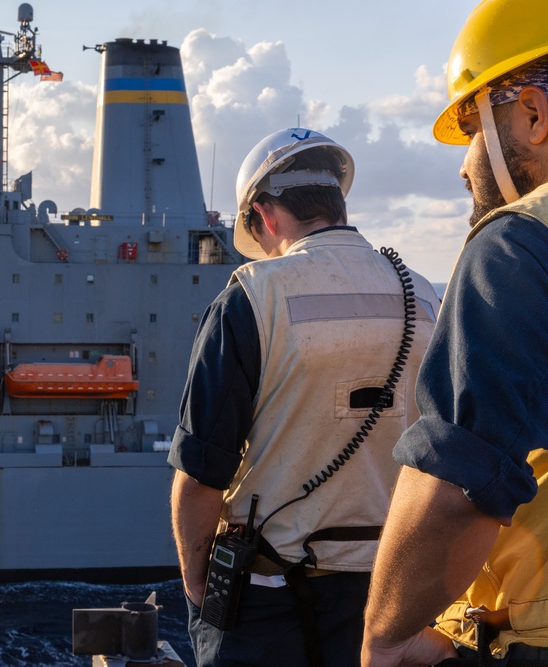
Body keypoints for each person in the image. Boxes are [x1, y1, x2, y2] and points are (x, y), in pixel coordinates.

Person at [169, 128, 440, 667]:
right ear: (338, 201)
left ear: (266, 217)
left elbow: (200, 479)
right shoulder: (427, 297)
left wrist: (201, 590)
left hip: (265, 597)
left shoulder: (251, 297)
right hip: (388, 590)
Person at [361, 1, 548, 665]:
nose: (465, 165)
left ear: (533, 114)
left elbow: (456, 494)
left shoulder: (518, 246)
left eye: (472, 128)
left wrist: (385, 637)